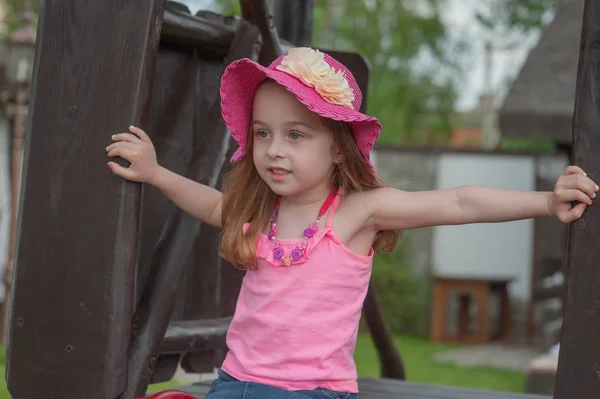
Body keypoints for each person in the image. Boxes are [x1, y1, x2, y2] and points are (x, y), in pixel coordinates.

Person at [106, 47, 597, 399]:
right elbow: (212, 205)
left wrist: (544, 201)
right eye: (263, 133)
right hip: (234, 381)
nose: (274, 149)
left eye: (296, 134)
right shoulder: (262, 214)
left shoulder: (356, 213)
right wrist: (155, 173)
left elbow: (460, 203)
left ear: (339, 148)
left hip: (312, 392)